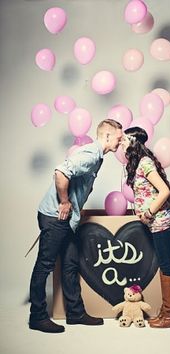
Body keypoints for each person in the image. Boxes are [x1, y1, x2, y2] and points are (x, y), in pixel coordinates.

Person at [29, 119, 123, 333]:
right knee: (45, 266)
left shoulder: (98, 157)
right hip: (55, 217)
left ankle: (75, 314)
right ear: (107, 136)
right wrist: (64, 201)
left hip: (67, 220)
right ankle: (37, 316)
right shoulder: (90, 155)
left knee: (71, 263)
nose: (120, 142)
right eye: (119, 137)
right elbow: (61, 172)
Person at [121, 126, 170, 328]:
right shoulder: (137, 163)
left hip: (162, 222)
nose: (121, 143)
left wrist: (147, 213)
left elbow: (163, 191)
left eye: (124, 140)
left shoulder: (145, 163)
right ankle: (167, 312)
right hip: (156, 224)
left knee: (166, 266)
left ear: (133, 142)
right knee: (165, 265)